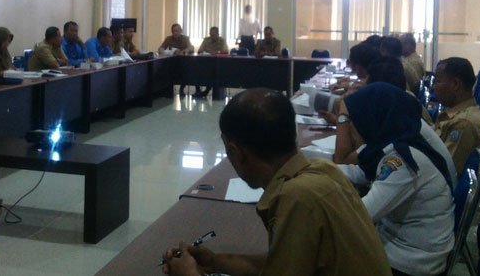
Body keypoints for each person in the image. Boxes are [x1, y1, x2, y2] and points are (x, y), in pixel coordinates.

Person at [162, 88, 391, 276]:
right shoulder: (324, 171)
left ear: (235, 152)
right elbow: (284, 264)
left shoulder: (297, 198)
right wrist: (215, 262)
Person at [339, 83, 455, 276]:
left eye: (354, 119)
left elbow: (360, 215)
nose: (351, 125)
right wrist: (317, 169)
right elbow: (360, 173)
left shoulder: (402, 162)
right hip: (404, 244)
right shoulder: (398, 140)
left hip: (410, 263)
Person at [334, 57, 457, 189]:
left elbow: (343, 159)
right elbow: (363, 167)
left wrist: (343, 116)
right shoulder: (398, 112)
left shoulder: (401, 138)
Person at [432, 57, 480, 174]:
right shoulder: (454, 113)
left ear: (455, 84)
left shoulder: (463, 123)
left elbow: (445, 169)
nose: (433, 87)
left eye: (437, 81)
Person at [194, 26, 229, 98]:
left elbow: (226, 51)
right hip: (206, 62)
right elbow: (200, 51)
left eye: (214, 35)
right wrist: (209, 52)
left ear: (218, 34)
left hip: (217, 64)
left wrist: (216, 52)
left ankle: (206, 91)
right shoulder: (206, 40)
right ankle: (198, 90)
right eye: (211, 35)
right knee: (195, 69)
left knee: (212, 72)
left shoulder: (222, 40)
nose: (212, 37)